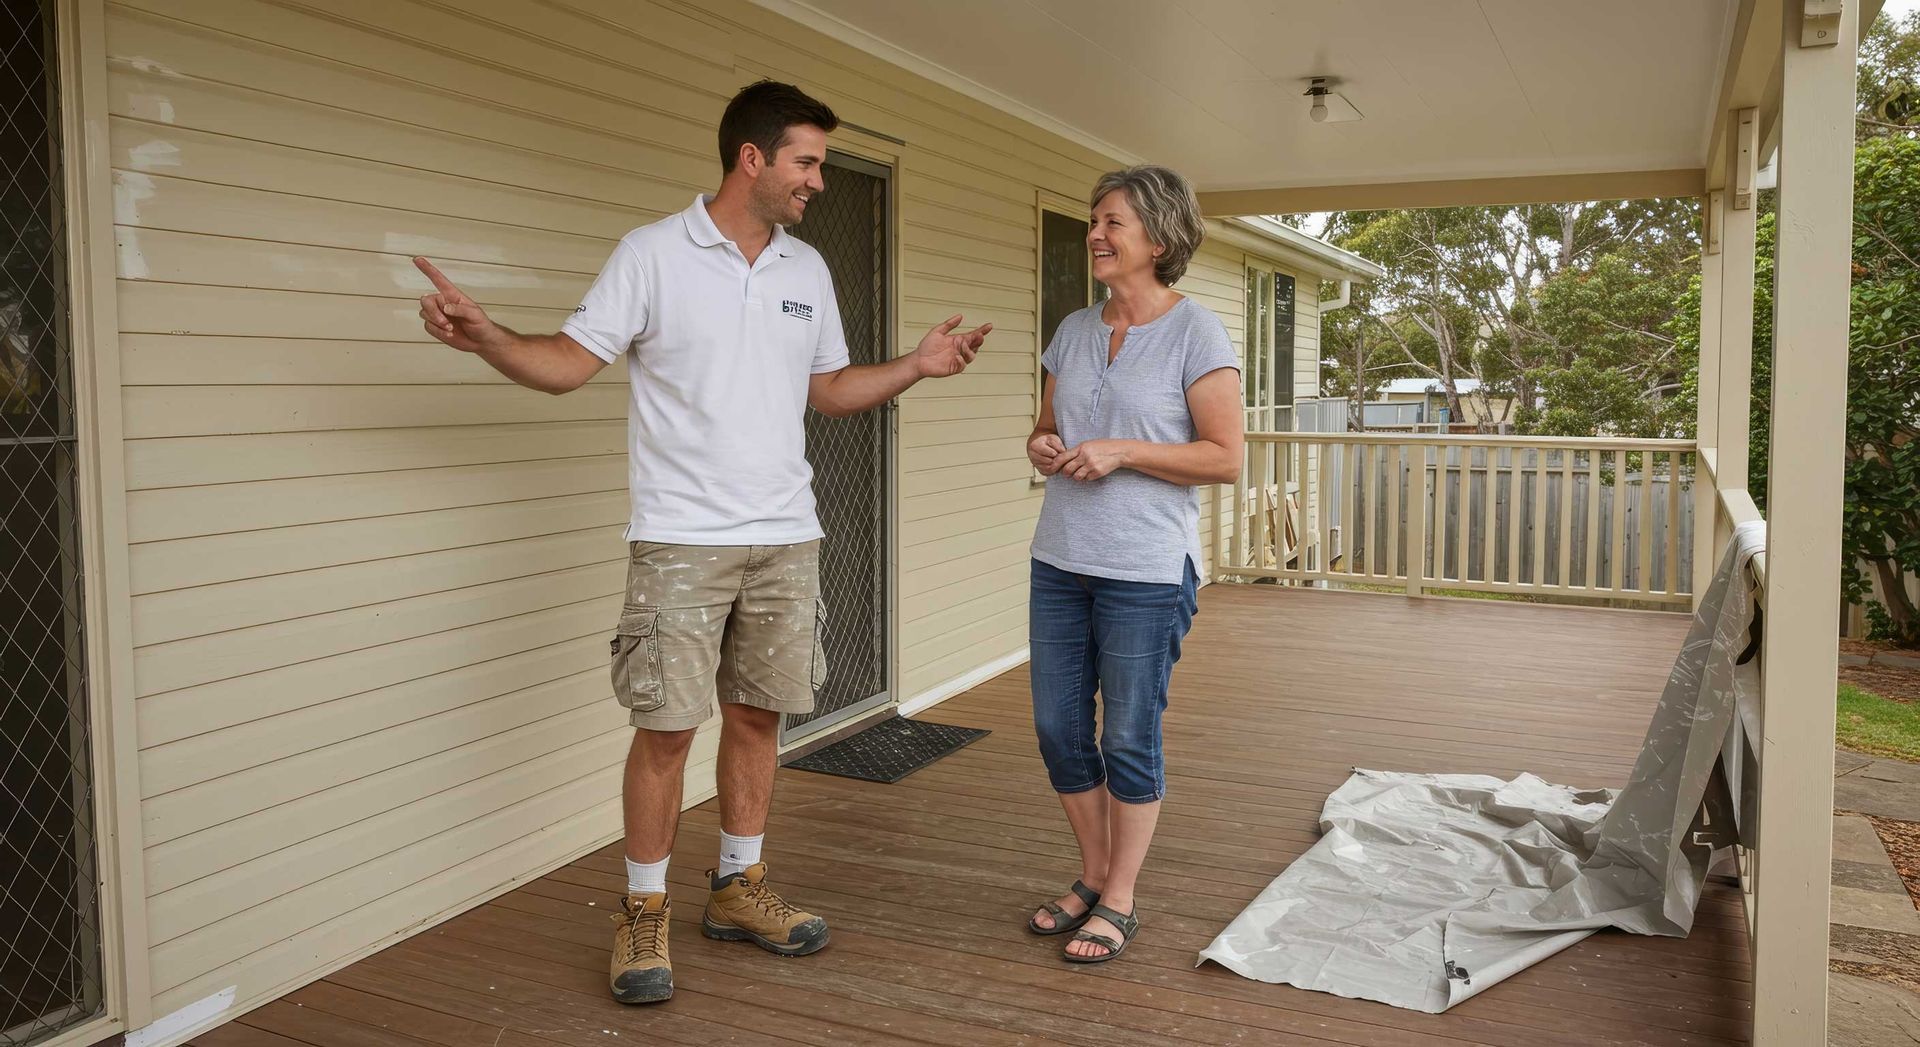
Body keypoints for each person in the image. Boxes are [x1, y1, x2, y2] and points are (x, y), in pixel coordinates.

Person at [414, 80, 990, 1004]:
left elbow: (830, 390)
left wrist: (917, 367)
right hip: (681, 539)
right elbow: (568, 364)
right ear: (752, 159)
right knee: (668, 727)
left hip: (787, 534)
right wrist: (487, 337)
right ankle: (643, 911)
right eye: (807, 162)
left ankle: (738, 885)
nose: (820, 182)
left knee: (761, 715)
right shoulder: (651, 254)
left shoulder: (806, 271)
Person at [1022, 165, 1243, 964]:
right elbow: (1044, 428)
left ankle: (1119, 895)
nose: (1096, 234)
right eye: (1093, 219)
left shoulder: (1197, 333)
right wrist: (1043, 445)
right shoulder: (1074, 329)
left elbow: (1224, 458)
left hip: (1147, 568)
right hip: (1061, 558)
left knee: (1128, 733)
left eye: (1113, 221)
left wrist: (1125, 452)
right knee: (1056, 726)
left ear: (1159, 235)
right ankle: (1089, 874)